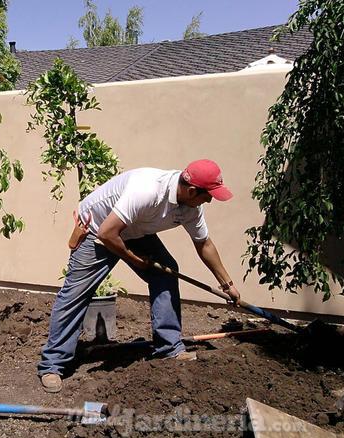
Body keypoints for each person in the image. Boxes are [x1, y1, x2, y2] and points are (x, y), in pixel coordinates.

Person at [38, 159, 241, 393]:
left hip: (135, 229)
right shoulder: (148, 191)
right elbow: (107, 233)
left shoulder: (191, 206)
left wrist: (228, 284)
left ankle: (169, 348)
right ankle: (53, 364)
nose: (210, 200)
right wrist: (136, 260)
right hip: (98, 229)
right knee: (76, 293)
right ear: (192, 190)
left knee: (166, 272)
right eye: (209, 195)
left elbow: (204, 243)